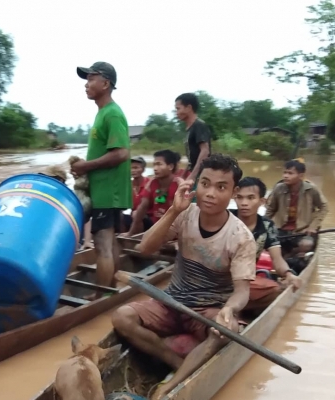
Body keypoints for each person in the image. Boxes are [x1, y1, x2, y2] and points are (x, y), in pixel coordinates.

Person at [111, 154, 256, 400]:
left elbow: (242, 291)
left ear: (233, 192)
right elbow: (144, 248)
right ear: (196, 185)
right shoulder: (185, 214)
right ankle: (178, 363)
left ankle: (169, 386)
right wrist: (172, 211)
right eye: (205, 183)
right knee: (121, 317)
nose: (210, 193)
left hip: (208, 310)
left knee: (227, 331)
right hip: (171, 302)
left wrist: (229, 310)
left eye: (221, 187)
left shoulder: (241, 237)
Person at [71, 62, 131, 290]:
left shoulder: (113, 114)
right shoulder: (103, 113)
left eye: (90, 79)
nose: (86, 85)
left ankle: (101, 296)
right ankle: (112, 291)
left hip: (108, 191)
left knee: (102, 244)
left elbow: (122, 153)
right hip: (105, 190)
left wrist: (86, 166)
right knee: (110, 241)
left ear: (105, 83)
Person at [233, 177, 302, 313]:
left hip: (245, 281)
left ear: (262, 201)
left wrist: (288, 274)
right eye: (239, 198)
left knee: (278, 290)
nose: (244, 203)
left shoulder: (267, 226)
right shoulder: (224, 218)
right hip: (216, 278)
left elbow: (277, 259)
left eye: (250, 198)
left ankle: (241, 309)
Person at [265, 159, 328, 255]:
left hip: (302, 230)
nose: (285, 176)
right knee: (264, 243)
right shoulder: (278, 188)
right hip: (281, 229)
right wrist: (263, 226)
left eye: (290, 173)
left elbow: (324, 207)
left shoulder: (311, 189)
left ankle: (292, 256)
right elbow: (270, 209)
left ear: (301, 176)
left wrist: (312, 226)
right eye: (284, 172)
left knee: (306, 244)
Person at [125, 150, 180, 236]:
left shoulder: (179, 184)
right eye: (154, 165)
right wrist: (130, 233)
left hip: (174, 229)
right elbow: (142, 207)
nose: (155, 168)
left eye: (159, 164)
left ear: (170, 166)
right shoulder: (152, 183)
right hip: (155, 226)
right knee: (136, 214)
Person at [175, 93, 211, 184]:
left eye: (178, 108)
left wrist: (193, 176)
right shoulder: (189, 128)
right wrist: (184, 175)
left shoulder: (199, 125)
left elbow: (205, 151)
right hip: (196, 173)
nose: (177, 113)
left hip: (203, 174)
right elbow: (193, 158)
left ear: (189, 108)